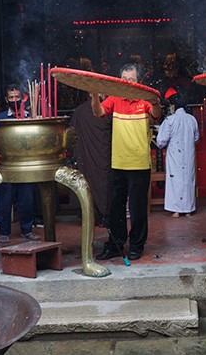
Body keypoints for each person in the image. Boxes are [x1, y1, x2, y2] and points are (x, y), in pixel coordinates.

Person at [92, 63, 162, 261]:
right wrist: (95, 95)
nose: (127, 83)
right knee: (115, 206)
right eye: (124, 79)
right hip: (118, 163)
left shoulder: (145, 99)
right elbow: (98, 113)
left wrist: (155, 102)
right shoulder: (114, 99)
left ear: (138, 82)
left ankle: (136, 245)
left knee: (138, 208)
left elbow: (156, 115)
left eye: (131, 80)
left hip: (139, 163)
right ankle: (115, 245)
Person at [0, 84, 39, 243]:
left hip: (25, 165)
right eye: (11, 97)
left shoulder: (29, 116)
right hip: (6, 165)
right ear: (6, 99)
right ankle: (4, 232)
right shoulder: (0, 118)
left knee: (26, 200)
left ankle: (27, 230)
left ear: (23, 98)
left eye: (17, 97)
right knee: (5, 200)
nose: (14, 100)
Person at [69, 93, 113, 224]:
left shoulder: (108, 109)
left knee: (105, 182)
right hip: (87, 153)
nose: (101, 94)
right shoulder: (81, 111)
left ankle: (104, 214)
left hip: (104, 152)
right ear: (89, 93)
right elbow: (73, 133)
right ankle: (92, 214)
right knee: (89, 179)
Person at [156, 88, 199, 217]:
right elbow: (196, 138)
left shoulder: (170, 120)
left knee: (176, 180)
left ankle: (176, 209)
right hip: (188, 154)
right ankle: (188, 209)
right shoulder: (192, 119)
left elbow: (160, 141)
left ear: (173, 106)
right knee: (188, 179)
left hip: (175, 154)